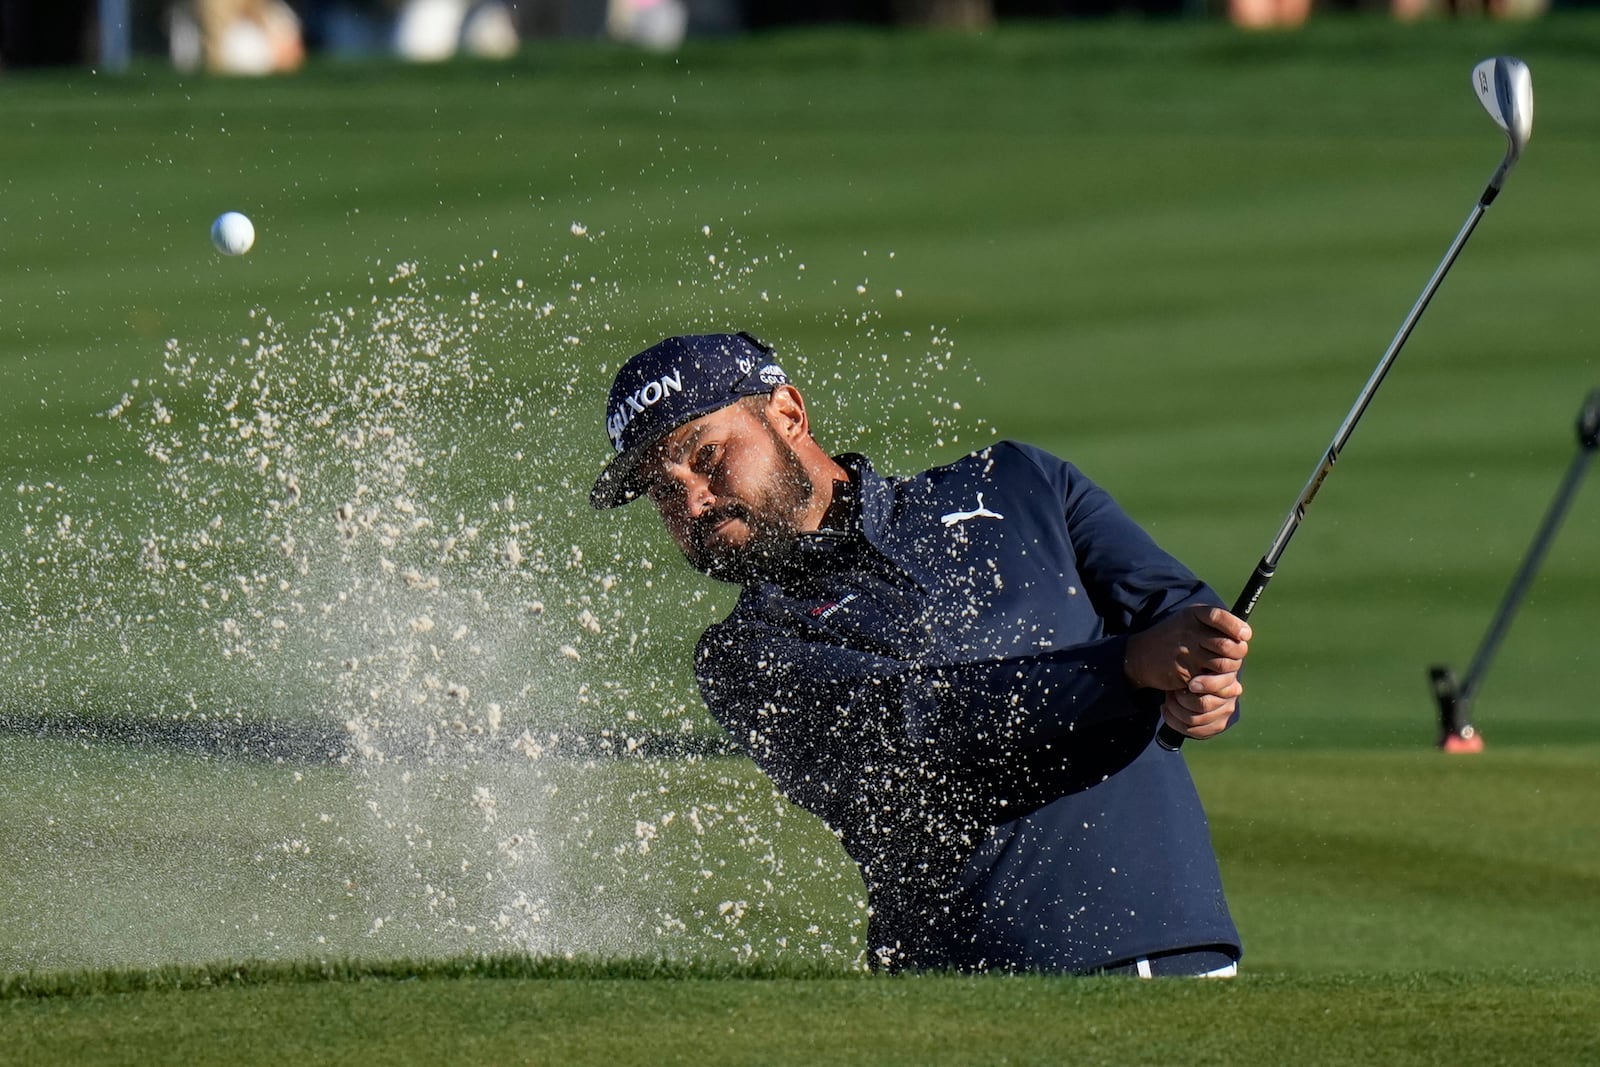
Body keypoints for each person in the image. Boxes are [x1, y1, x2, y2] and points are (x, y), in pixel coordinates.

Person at [590, 331, 1253, 976]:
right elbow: (918, 719)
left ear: (787, 414)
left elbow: (1180, 614)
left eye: (706, 456)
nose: (693, 501)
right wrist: (1130, 667)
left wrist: (1203, 682)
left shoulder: (1015, 483)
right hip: (951, 1002)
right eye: (662, 490)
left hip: (1164, 949)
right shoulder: (746, 655)